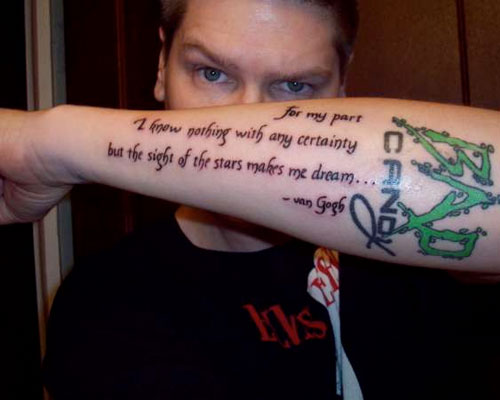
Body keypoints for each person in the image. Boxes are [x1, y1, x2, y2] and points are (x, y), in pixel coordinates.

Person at [1, 0, 500, 398]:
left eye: (294, 85)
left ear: (343, 88)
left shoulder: (418, 264)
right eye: (211, 74)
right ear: (161, 65)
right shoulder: (105, 300)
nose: (250, 121)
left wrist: (54, 142)